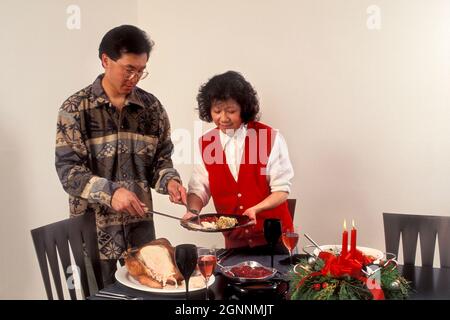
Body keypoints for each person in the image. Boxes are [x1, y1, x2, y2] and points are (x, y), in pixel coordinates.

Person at [55, 25, 186, 284]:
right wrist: (111, 192)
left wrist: (170, 181)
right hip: (92, 234)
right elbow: (69, 172)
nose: (135, 77)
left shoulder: (152, 109)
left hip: (141, 237)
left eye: (141, 70)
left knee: (149, 295)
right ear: (106, 60)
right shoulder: (74, 109)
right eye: (129, 69)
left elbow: (161, 159)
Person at [184, 71, 294, 251]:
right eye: (217, 111)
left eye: (231, 111)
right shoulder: (206, 143)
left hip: (276, 242)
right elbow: (199, 188)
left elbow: (281, 190)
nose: (223, 118)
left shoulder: (270, 138)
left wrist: (256, 209)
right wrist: (193, 211)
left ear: (244, 108)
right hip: (235, 245)